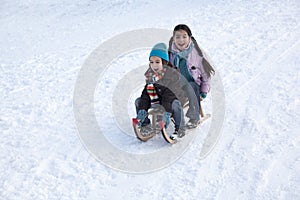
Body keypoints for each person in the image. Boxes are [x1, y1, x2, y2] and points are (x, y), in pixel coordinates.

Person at [135, 43, 186, 139]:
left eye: (157, 62)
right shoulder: (150, 75)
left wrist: (166, 111)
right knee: (138, 101)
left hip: (172, 99)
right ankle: (146, 126)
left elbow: (169, 95)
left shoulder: (172, 75)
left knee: (176, 104)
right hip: (158, 100)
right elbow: (146, 94)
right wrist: (142, 108)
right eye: (152, 62)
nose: (154, 65)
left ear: (164, 62)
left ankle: (180, 128)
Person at [168, 24, 215, 128]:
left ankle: (194, 117)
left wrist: (204, 91)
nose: (181, 40)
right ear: (173, 38)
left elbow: (206, 74)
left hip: (193, 85)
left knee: (191, 87)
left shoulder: (197, 53)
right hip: (177, 85)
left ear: (189, 37)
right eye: (178, 37)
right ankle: (169, 114)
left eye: (184, 36)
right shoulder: (170, 53)